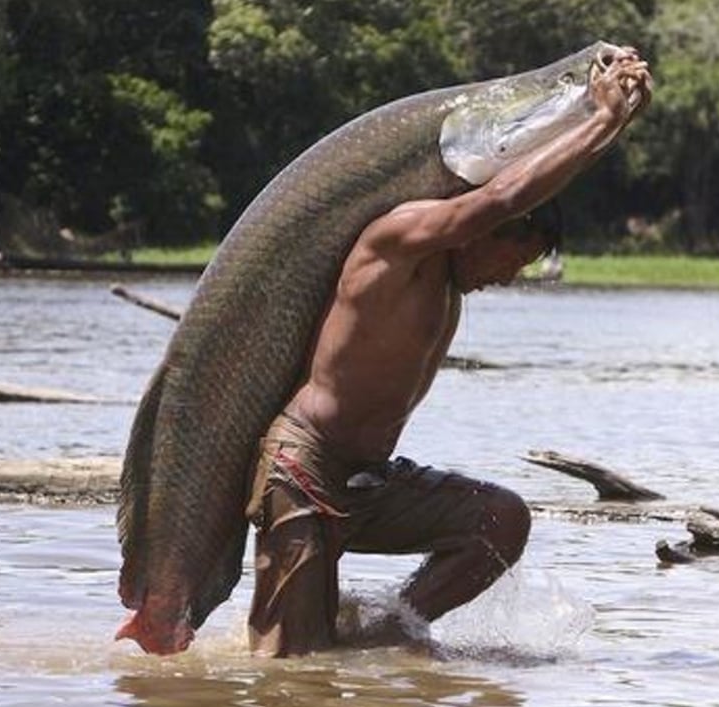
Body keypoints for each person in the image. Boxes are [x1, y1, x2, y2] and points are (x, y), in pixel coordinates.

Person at [244, 51, 653, 657]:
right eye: (512, 261)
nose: (507, 279)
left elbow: (507, 199)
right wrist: (599, 119)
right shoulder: (399, 240)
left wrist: (616, 118)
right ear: (482, 231)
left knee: (500, 520)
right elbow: (498, 198)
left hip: (370, 482)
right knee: (290, 673)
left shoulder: (448, 292)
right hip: (304, 471)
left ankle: (385, 632)